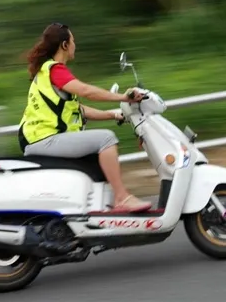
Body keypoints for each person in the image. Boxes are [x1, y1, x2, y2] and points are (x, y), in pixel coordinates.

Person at [18, 22, 153, 212]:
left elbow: (77, 109)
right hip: (45, 139)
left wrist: (114, 114)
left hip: (40, 138)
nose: (75, 45)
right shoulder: (55, 70)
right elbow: (85, 91)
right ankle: (121, 197)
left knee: (97, 152)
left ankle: (96, 206)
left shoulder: (45, 71)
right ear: (64, 45)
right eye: (73, 41)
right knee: (106, 139)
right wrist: (124, 97)